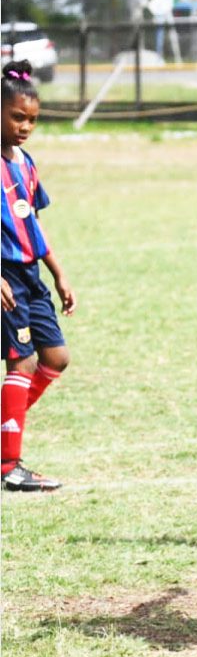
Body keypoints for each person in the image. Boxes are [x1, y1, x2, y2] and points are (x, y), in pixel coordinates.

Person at [1, 60, 75, 492]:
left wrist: (58, 270)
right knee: (23, 359)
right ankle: (9, 464)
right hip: (5, 276)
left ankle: (4, 435)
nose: (26, 126)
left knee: (56, 358)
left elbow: (32, 221)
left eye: (32, 120)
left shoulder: (24, 162)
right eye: (17, 117)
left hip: (31, 274)